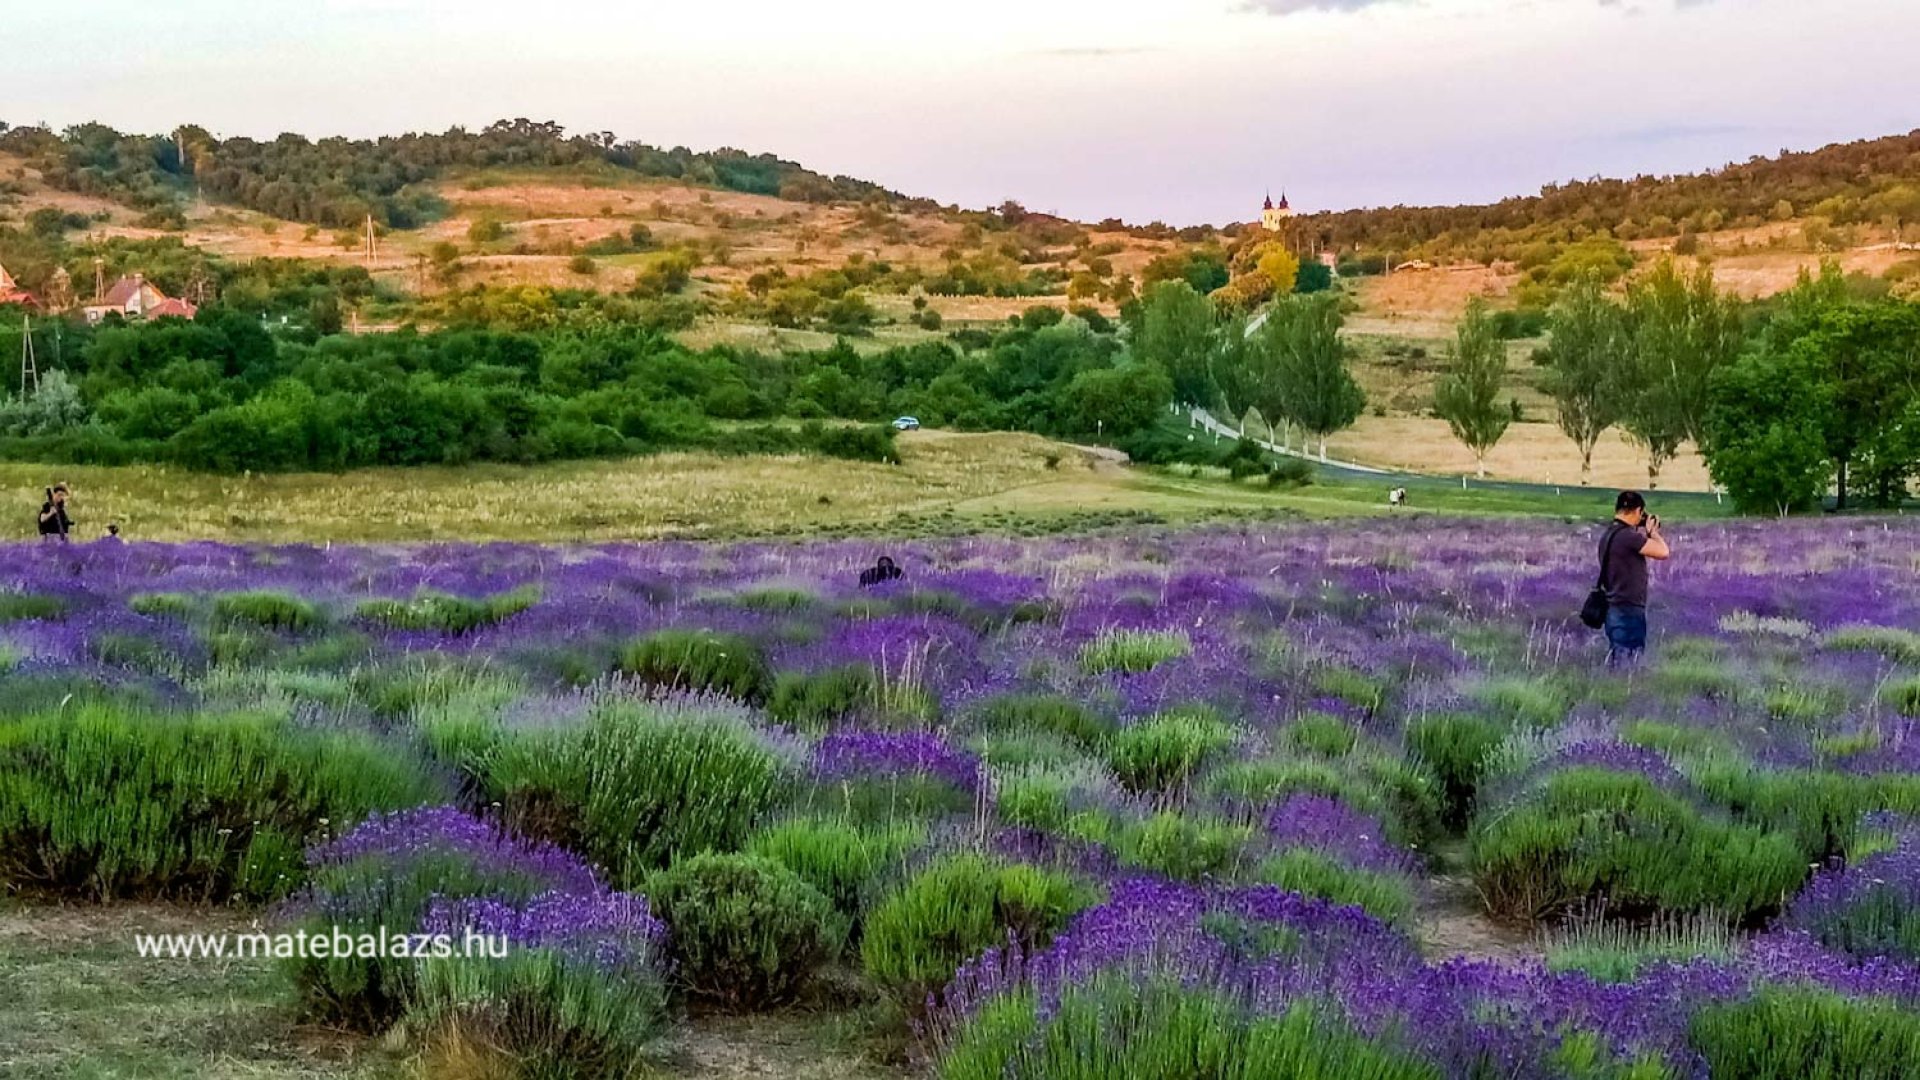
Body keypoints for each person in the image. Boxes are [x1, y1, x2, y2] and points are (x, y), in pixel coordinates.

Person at [1599, 491, 1670, 665]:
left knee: (1619, 656)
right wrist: (1653, 533)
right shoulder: (1628, 536)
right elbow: (1663, 552)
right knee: (1631, 659)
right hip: (1628, 608)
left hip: (1612, 606)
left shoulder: (1608, 535)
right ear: (1638, 511)